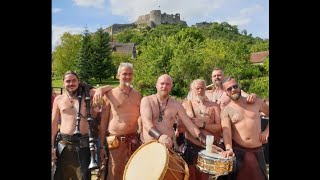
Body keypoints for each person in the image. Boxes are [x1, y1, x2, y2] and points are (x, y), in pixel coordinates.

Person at [51, 70, 112, 180]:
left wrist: (100, 89)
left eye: (74, 80)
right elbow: (54, 124)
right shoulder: (59, 100)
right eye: (68, 81)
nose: (71, 83)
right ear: (63, 83)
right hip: (63, 145)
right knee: (58, 176)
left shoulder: (88, 95)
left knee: (83, 177)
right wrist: (52, 147)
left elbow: (112, 88)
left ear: (78, 82)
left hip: (83, 146)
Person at [140, 74, 223, 153]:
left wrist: (207, 144)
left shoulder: (176, 105)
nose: (164, 86)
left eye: (168, 84)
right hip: (149, 147)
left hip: (166, 148)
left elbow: (190, 125)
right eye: (162, 83)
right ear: (156, 85)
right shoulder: (147, 101)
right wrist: (160, 136)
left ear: (171, 86)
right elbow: (147, 123)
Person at [94, 62, 142, 180]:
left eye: (130, 74)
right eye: (124, 74)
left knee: (133, 172)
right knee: (114, 172)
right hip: (115, 141)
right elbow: (103, 121)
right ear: (118, 75)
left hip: (134, 140)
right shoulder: (110, 95)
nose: (127, 76)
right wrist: (101, 146)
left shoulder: (138, 95)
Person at [220, 77, 269, 180]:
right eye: (229, 89)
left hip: (258, 151)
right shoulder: (226, 110)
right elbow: (226, 132)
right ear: (225, 92)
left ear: (239, 86)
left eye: (235, 86)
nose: (233, 90)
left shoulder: (256, 102)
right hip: (240, 153)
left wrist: (266, 131)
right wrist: (229, 148)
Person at [179, 79, 223, 180]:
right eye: (197, 88)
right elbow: (180, 128)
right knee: (191, 176)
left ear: (205, 89)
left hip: (210, 149)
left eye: (202, 88)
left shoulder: (214, 106)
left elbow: (219, 128)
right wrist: (191, 124)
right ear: (192, 89)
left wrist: (203, 124)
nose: (200, 90)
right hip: (191, 148)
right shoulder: (186, 105)